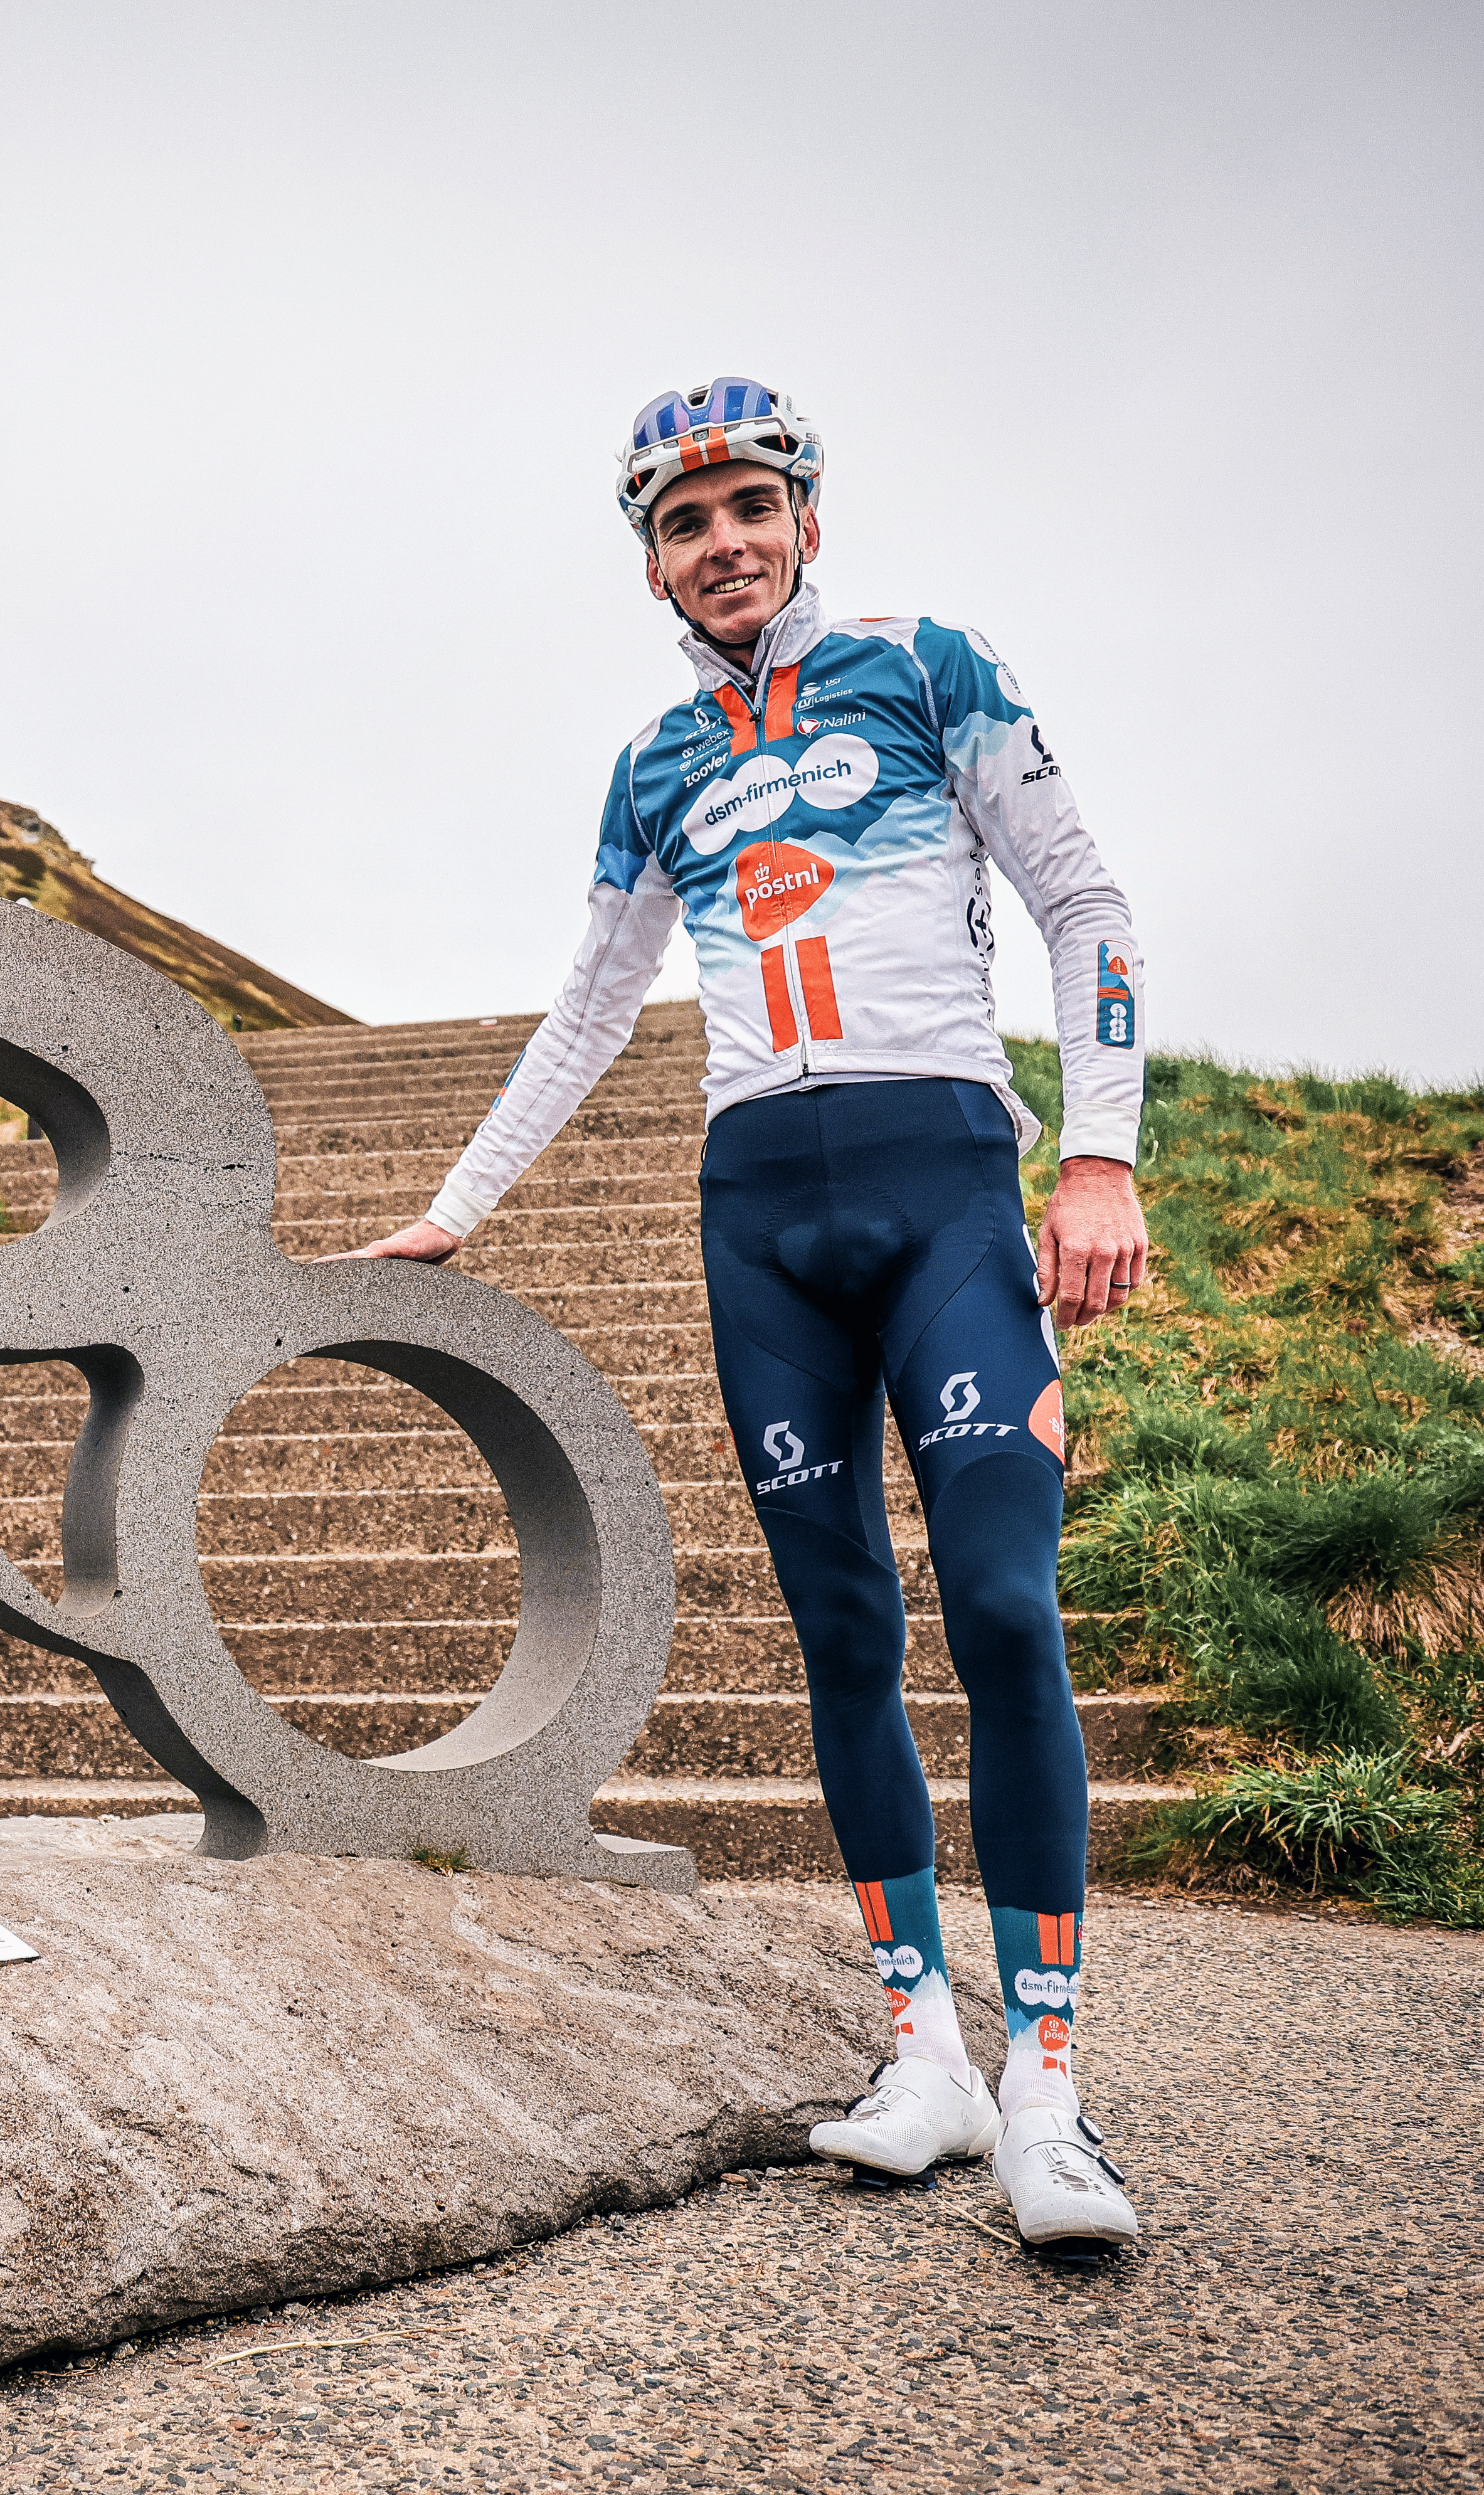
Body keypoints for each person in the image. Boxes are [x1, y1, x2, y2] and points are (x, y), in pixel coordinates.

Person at [334, 378, 1149, 2248]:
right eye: (684, 524)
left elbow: (1086, 906)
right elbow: (592, 1005)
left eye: (749, 508)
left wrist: (1095, 1159)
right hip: (757, 1212)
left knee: (1007, 1612)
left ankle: (1049, 2086)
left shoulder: (929, 664)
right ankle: (920, 2050)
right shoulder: (650, 765)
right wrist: (456, 1209)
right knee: (841, 1629)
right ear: (650, 566)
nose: (723, 544)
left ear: (804, 517)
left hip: (946, 1180)